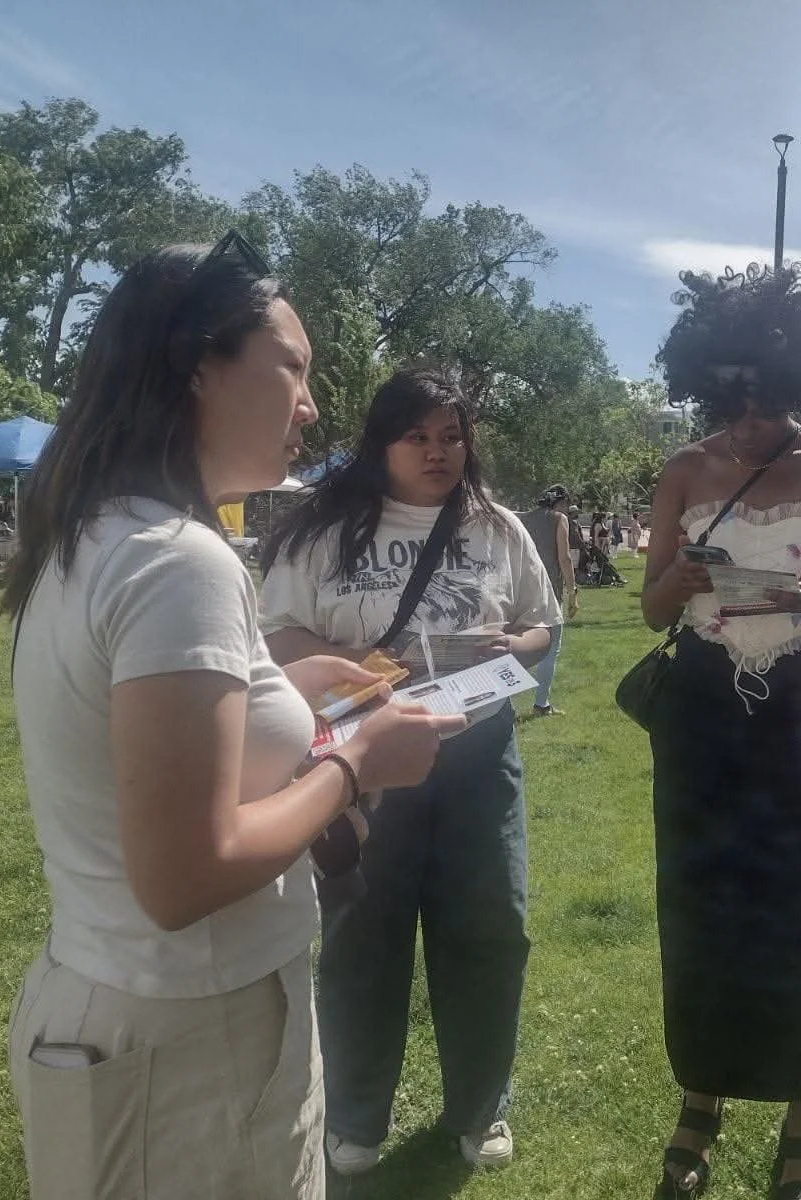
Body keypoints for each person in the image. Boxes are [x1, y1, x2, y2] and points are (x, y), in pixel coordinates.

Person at [0, 235, 460, 1200]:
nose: (312, 404)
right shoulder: (179, 562)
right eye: (292, 366)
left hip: (118, 1011)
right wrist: (356, 763)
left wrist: (299, 692)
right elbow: (186, 875)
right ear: (200, 363)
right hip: (190, 1045)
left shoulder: (97, 534)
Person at [258, 367, 560, 1177]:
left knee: (492, 928)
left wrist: (514, 647)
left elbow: (541, 623)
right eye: (417, 436)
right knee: (364, 933)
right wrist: (346, 662)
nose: (437, 452)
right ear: (382, 443)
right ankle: (356, 1117)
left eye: (452, 436)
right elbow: (277, 634)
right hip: (367, 757)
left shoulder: (496, 527)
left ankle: (479, 1109)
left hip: (478, 756)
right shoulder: (323, 529)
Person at [641, 263, 801, 1200]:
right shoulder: (684, 469)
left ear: (799, 384)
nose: (749, 420)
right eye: (731, 399)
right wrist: (687, 580)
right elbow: (649, 606)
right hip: (705, 712)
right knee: (702, 901)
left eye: (767, 399)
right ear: (705, 383)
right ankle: (701, 1091)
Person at [515, 484, 577, 718]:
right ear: (560, 503)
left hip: (521, 591)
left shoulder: (522, 518)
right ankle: (541, 704)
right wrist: (573, 591)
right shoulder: (559, 519)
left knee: (517, 648)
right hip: (549, 591)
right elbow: (565, 558)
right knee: (551, 650)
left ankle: (504, 702)